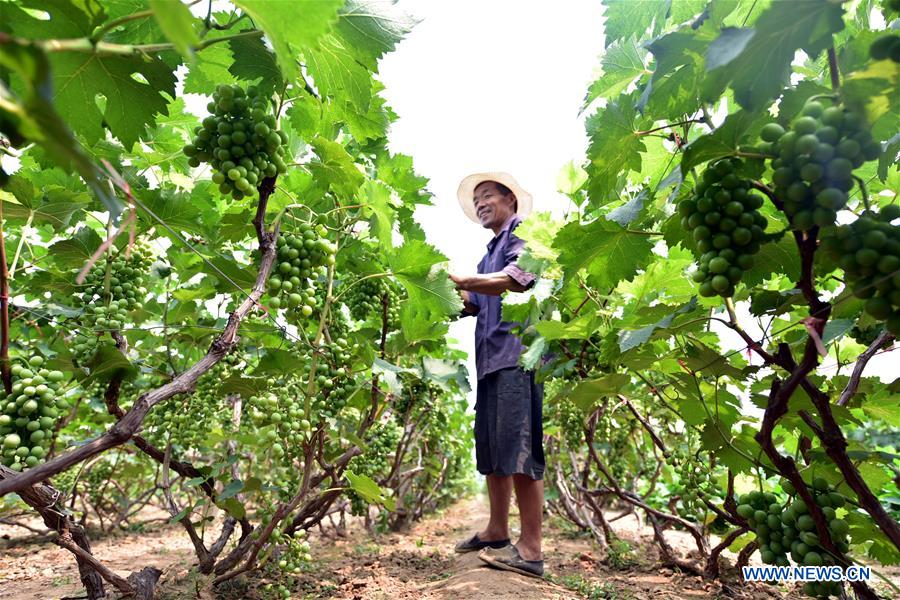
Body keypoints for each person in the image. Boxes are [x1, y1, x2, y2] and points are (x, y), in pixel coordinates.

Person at [448, 172, 545, 579]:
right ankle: (497, 530)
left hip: (516, 357)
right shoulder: (488, 252)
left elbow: (517, 280)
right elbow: (476, 301)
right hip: (489, 361)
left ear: (510, 199)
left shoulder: (523, 234)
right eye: (477, 200)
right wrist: (445, 292)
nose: (481, 204)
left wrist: (467, 281)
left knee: (519, 449)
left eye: (487, 196)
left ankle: (532, 550)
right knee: (492, 447)